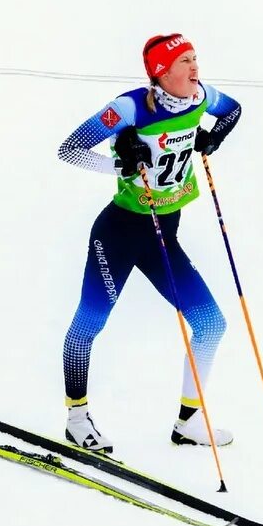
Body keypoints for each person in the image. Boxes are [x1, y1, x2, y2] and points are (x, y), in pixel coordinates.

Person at [56, 34, 241, 453]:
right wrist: (120, 162)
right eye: (185, 62)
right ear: (161, 72)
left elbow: (232, 111)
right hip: (120, 233)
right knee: (88, 325)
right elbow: (69, 150)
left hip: (163, 233)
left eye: (196, 58)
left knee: (211, 325)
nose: (195, 68)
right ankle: (76, 418)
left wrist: (212, 139)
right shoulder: (128, 107)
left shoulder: (200, 98)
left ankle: (188, 424)